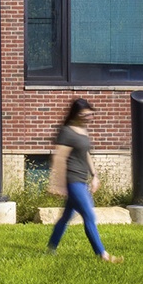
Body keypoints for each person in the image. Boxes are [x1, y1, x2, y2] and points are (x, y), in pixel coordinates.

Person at [45, 98, 117, 261]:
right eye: (84, 114)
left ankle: (51, 248)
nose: (88, 117)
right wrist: (57, 183)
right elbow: (59, 158)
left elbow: (85, 153)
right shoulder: (67, 131)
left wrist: (95, 176)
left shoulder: (82, 130)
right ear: (76, 114)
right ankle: (102, 254)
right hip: (73, 180)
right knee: (89, 215)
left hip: (82, 180)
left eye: (90, 113)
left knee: (65, 217)